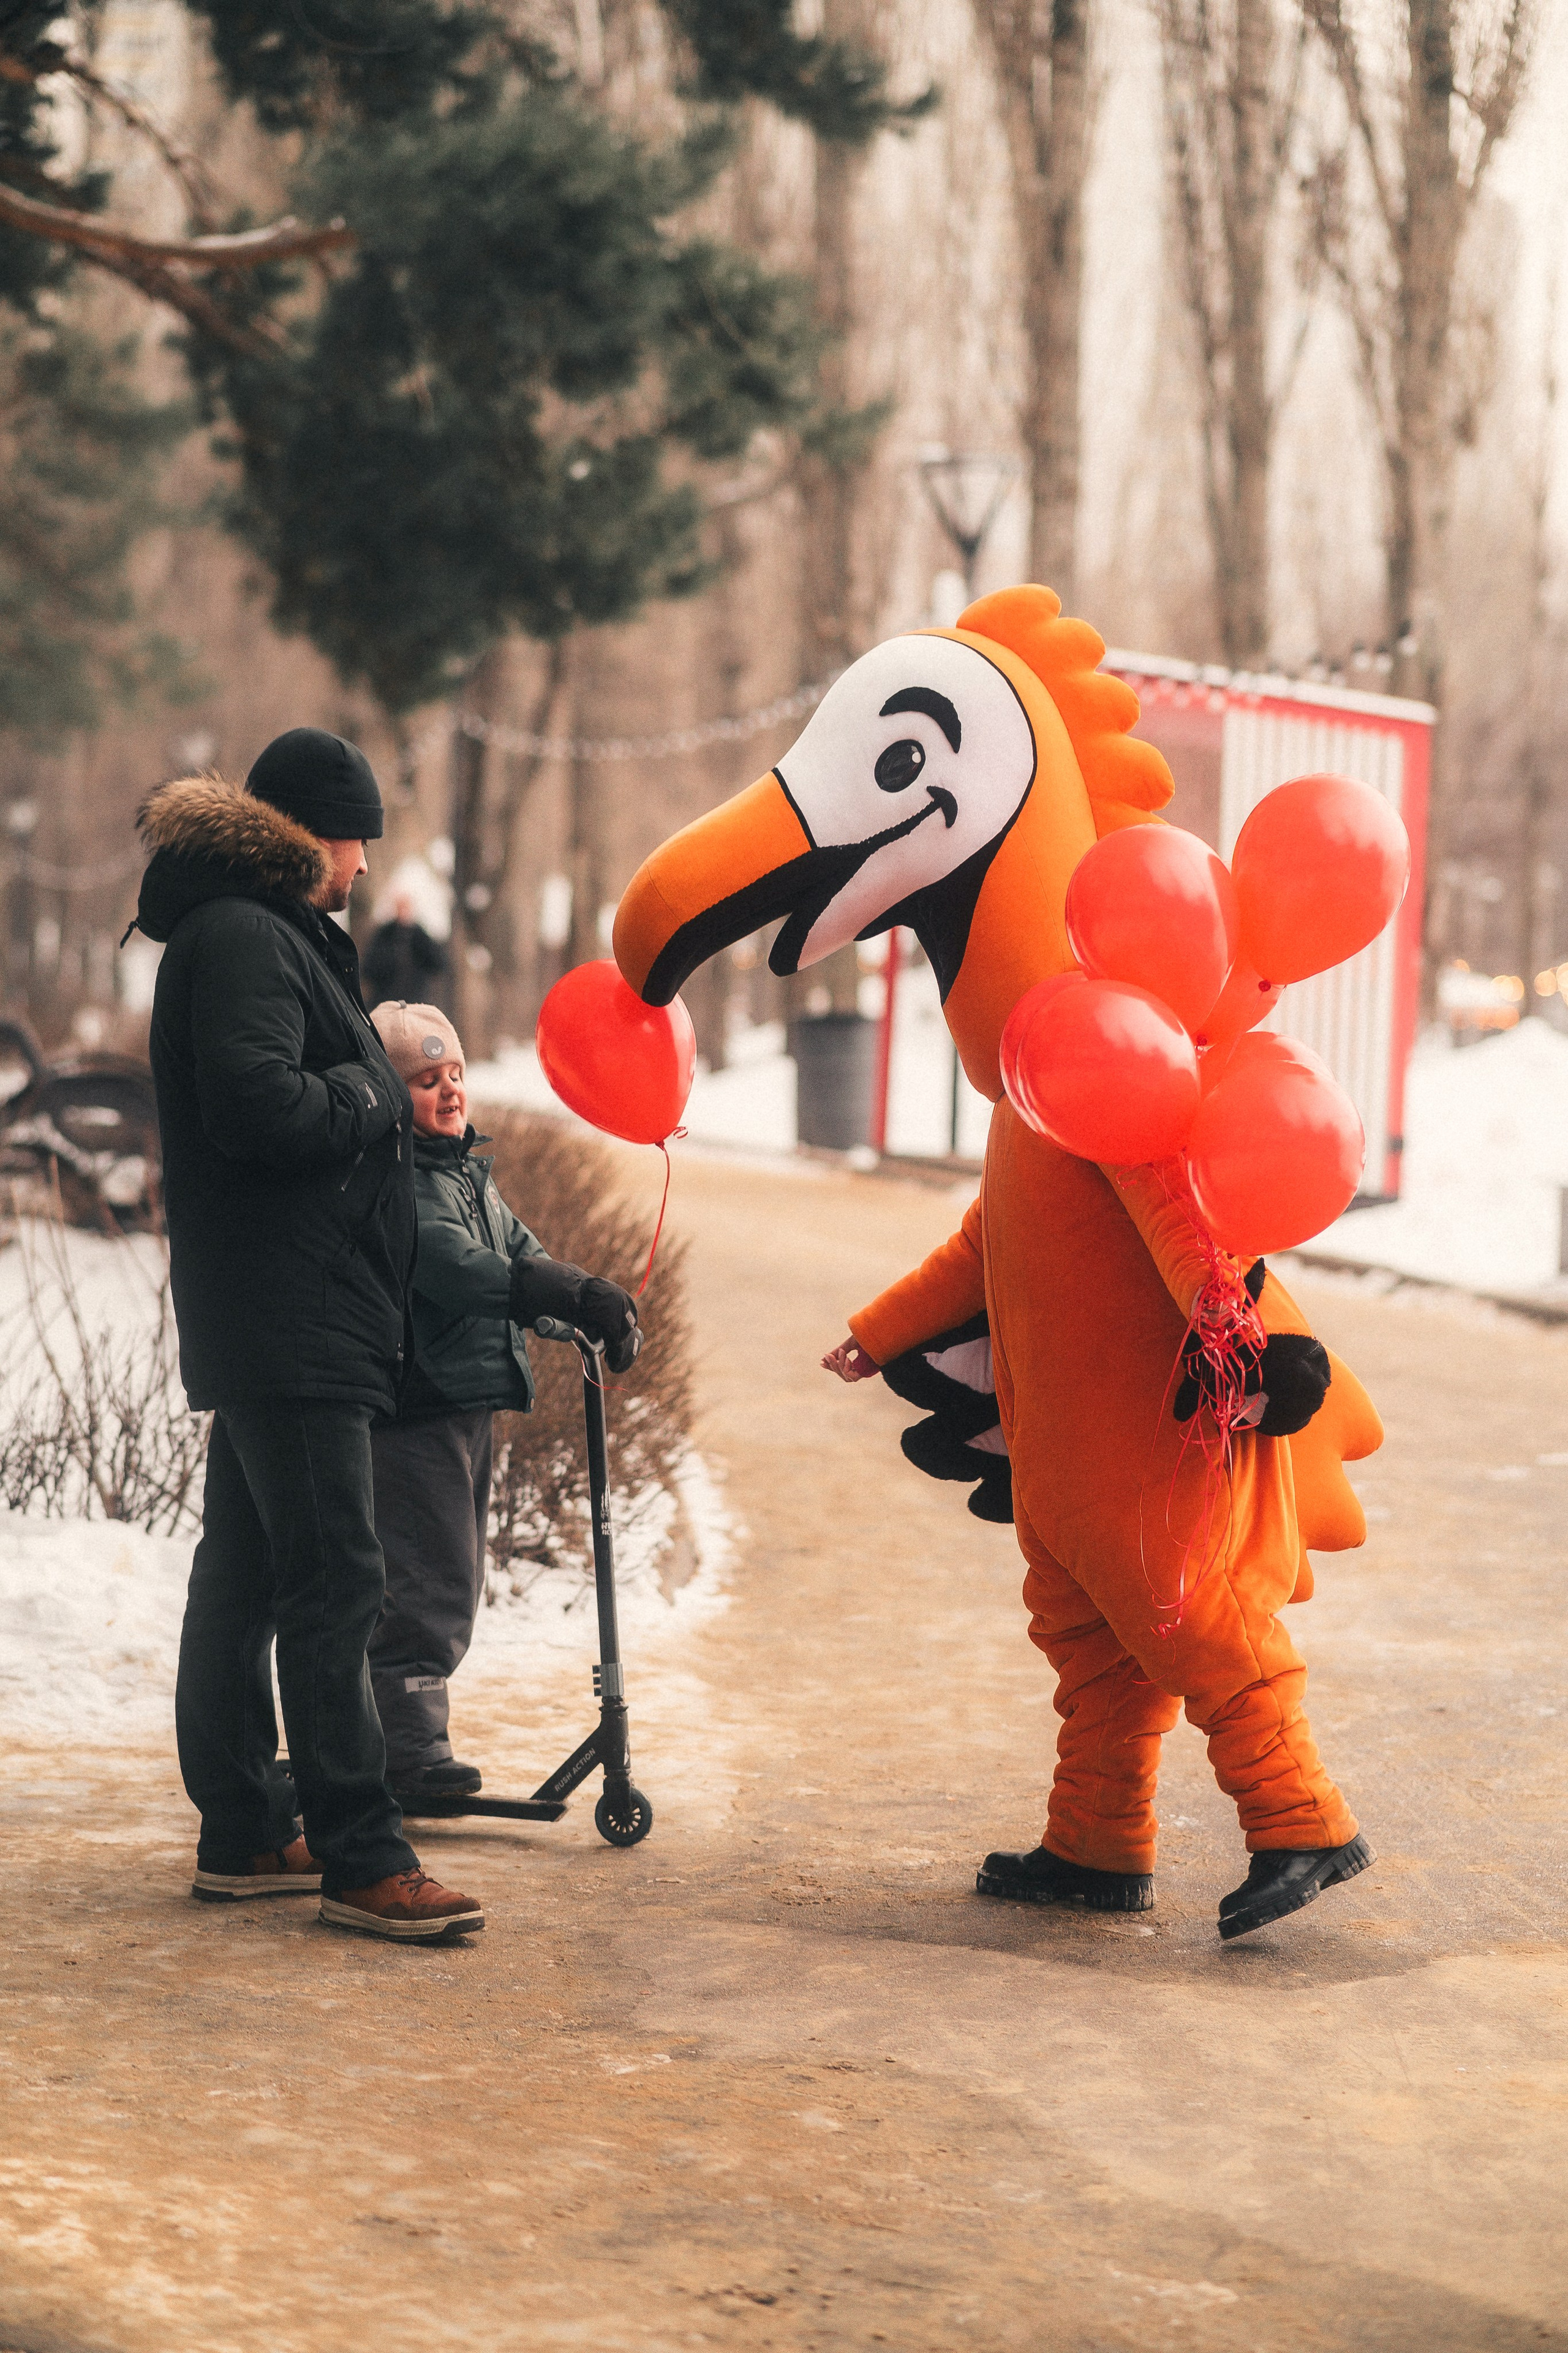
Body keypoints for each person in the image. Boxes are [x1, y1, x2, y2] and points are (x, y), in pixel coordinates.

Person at [133, 727, 484, 1944]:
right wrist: (372, 1094)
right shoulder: (242, 935)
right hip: (290, 1311)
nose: (363, 865)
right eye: (355, 841)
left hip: (290, 1303)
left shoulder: (258, 932)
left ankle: (242, 1830)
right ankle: (361, 1856)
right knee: (338, 1580)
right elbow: (256, 1107)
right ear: (310, 835)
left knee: (245, 1579)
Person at [365, 1001, 639, 1807]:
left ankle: (398, 1740)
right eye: (424, 1080)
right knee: (427, 1583)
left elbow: (523, 1264)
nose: (449, 1092)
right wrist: (552, 1289)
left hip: (463, 1402)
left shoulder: (463, 1174)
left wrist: (586, 1311)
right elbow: (458, 1269)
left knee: (446, 1572)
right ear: (386, 1093)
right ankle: (407, 1754)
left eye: (454, 1074)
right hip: (417, 1409)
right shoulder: (402, 1185)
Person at [363, 891, 449, 1010]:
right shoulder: (384, 935)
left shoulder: (420, 936)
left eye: (406, 907)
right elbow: (368, 968)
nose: (403, 911)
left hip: (415, 1003)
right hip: (386, 1002)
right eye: (400, 907)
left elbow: (438, 963)